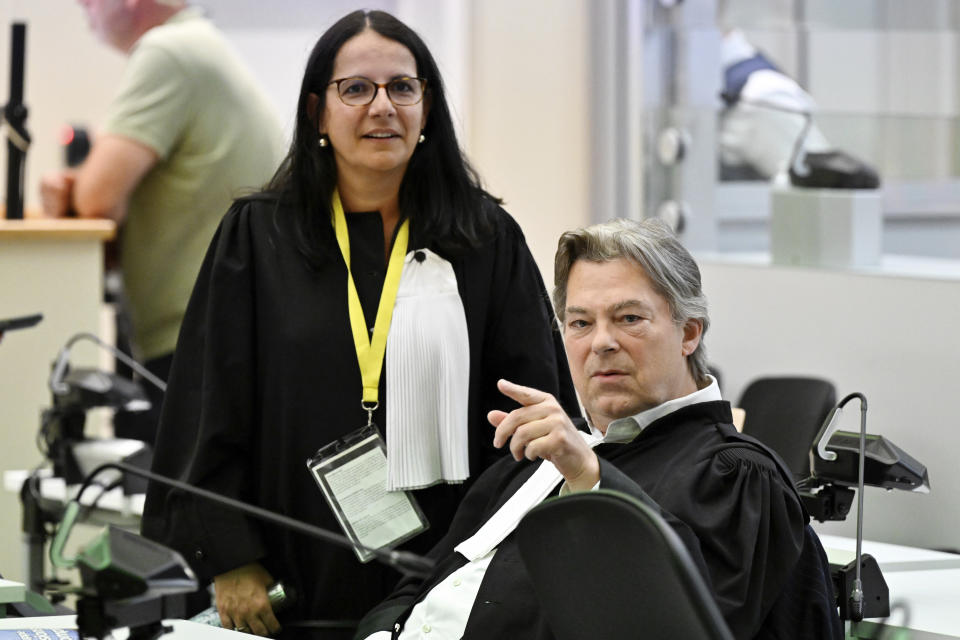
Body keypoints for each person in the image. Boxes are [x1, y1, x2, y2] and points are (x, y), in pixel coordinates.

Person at [141, 9, 578, 639]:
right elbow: (209, 411)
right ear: (319, 112)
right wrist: (232, 558)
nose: (383, 106)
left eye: (403, 87)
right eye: (357, 89)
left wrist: (491, 565)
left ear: (428, 109)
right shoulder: (258, 238)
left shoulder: (486, 240)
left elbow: (532, 414)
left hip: (448, 584)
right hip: (289, 584)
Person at [354, 218, 843, 640]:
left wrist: (590, 480)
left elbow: (680, 626)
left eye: (628, 318)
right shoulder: (530, 463)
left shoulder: (736, 475)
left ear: (689, 332)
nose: (601, 343)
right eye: (580, 323)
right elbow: (424, 578)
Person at [38, 0, 285, 443]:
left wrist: (73, 188)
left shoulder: (169, 51)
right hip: (220, 332)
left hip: (195, 341)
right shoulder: (198, 45)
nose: (82, 6)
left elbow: (96, 198)